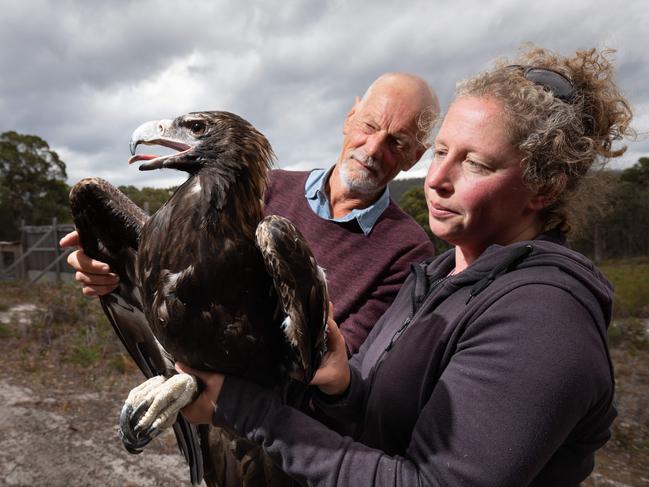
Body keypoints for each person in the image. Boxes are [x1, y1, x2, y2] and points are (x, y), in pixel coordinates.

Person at [176, 46, 633, 486]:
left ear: (544, 189)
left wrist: (241, 409)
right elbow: (382, 427)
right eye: (442, 152)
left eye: (474, 163)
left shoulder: (543, 321)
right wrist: (343, 388)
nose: (435, 180)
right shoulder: (437, 278)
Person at [60, 72, 439, 356]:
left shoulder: (407, 250)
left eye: (397, 141)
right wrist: (115, 270)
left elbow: (341, 361)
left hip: (286, 429)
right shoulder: (257, 188)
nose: (373, 148)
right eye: (369, 125)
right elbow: (183, 277)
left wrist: (216, 393)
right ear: (350, 118)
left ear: (414, 157)